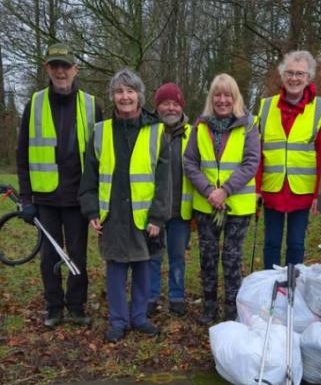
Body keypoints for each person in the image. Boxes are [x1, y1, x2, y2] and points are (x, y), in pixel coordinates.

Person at [79, 69, 169, 343]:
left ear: (139, 96)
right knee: (116, 271)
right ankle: (118, 320)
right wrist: (92, 210)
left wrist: (157, 216)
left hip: (143, 218)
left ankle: (139, 317)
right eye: (119, 91)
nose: (125, 96)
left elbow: (164, 181)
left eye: (130, 91)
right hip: (112, 215)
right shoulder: (100, 131)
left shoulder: (157, 131)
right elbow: (90, 176)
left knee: (143, 269)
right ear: (113, 97)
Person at [16, 42, 102, 328]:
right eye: (55, 66)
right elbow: (23, 155)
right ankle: (54, 308)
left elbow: (104, 155)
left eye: (65, 66)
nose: (60, 71)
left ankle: (76, 307)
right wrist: (26, 199)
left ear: (75, 69)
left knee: (77, 256)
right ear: (47, 69)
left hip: (79, 198)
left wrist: (99, 199)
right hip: (45, 199)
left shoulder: (92, 105)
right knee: (49, 257)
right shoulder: (34, 103)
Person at [184, 73, 260, 324]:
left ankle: (231, 310)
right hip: (206, 205)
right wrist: (209, 191)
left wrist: (225, 190)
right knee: (207, 258)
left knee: (231, 258)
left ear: (235, 97)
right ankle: (208, 308)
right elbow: (190, 162)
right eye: (218, 94)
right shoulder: (200, 126)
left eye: (227, 94)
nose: (222, 100)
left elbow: (251, 163)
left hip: (236, 205)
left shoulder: (248, 124)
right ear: (211, 98)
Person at [257, 50, 321, 269]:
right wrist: (257, 188)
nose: (294, 78)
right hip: (273, 187)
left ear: (308, 78)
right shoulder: (266, 106)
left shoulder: (319, 108)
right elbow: (257, 151)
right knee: (271, 243)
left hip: (301, 190)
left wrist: (319, 193)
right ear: (281, 75)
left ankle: (292, 286)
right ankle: (269, 287)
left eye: (300, 74)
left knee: (296, 244)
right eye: (289, 72)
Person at [148, 83, 193, 317]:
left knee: (177, 257)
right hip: (153, 210)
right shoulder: (148, 131)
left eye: (175, 103)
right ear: (158, 106)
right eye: (166, 103)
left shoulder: (193, 133)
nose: (171, 108)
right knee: (152, 256)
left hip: (180, 210)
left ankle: (176, 296)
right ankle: (150, 296)